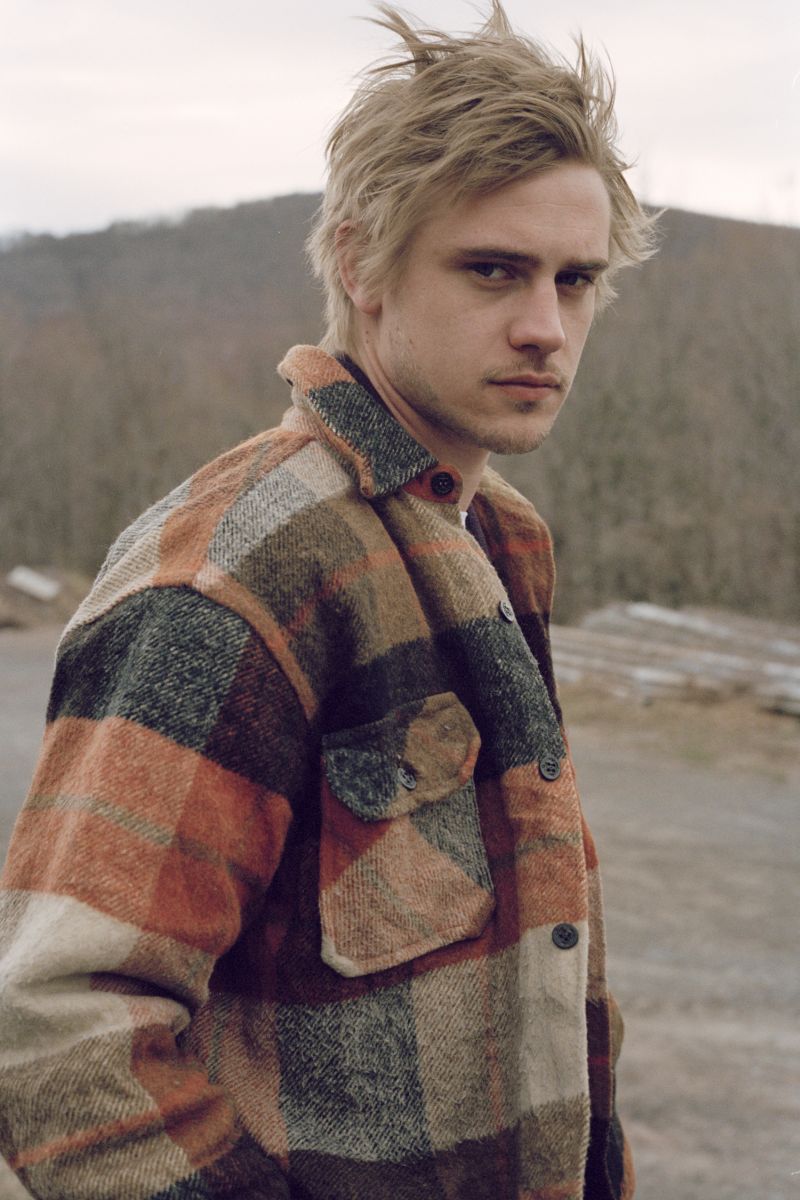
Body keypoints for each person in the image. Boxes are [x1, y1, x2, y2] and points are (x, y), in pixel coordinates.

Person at [0, 4, 656, 1197]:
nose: (544, 328)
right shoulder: (239, 571)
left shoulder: (497, 536)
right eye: (492, 270)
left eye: (575, 280)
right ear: (360, 265)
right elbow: (59, 1034)